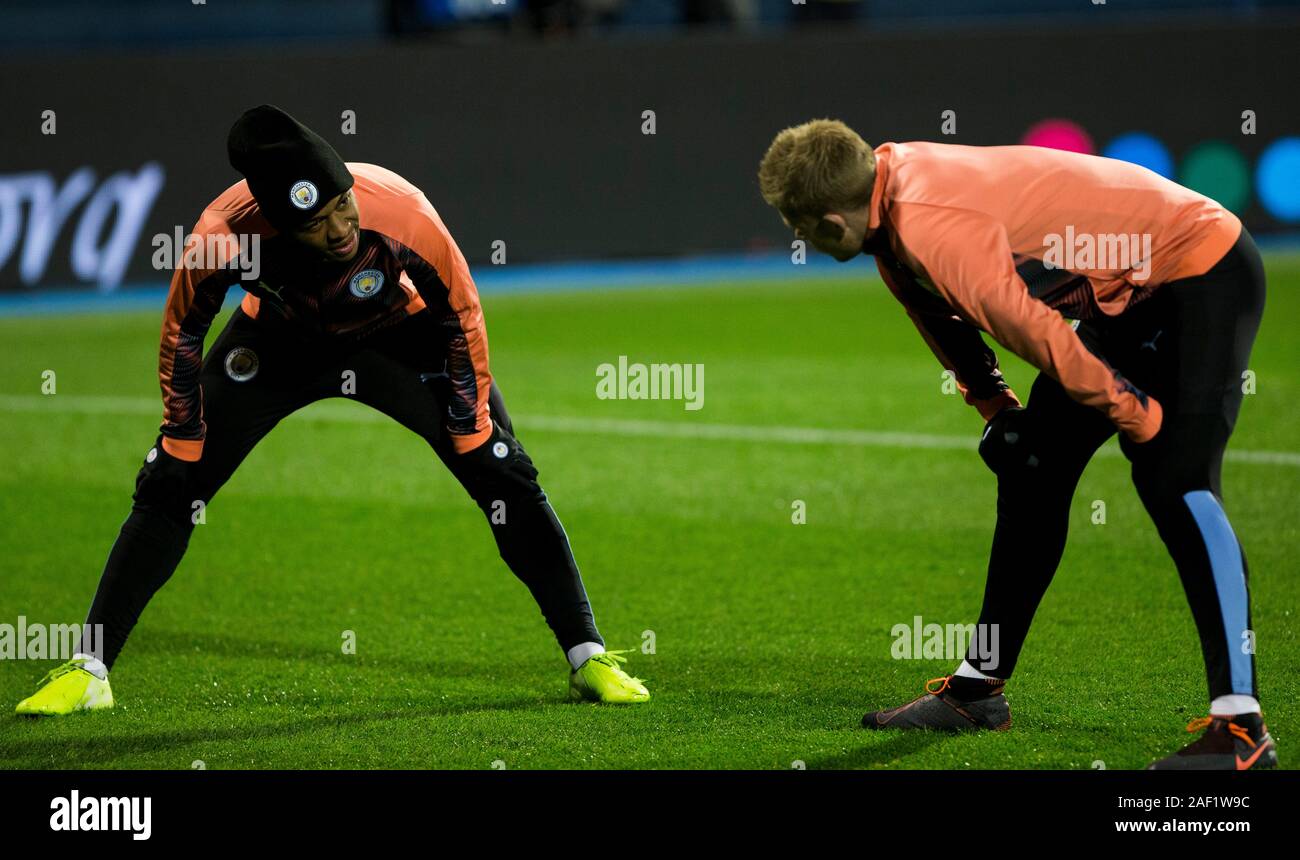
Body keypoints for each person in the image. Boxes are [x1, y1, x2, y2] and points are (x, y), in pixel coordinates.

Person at [16, 105, 648, 716]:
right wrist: (182, 436)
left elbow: (460, 311)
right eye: (316, 221)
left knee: (503, 471)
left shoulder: (399, 209)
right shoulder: (224, 235)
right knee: (169, 484)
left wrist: (471, 423)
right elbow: (183, 330)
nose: (341, 227)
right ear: (276, 221)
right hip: (277, 343)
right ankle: (90, 669)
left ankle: (587, 655)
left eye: (342, 204)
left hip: (396, 334)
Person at [757, 119, 1273, 770]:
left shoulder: (932, 226)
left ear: (831, 224)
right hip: (1129, 298)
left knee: (1176, 479)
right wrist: (997, 408)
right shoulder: (886, 196)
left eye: (796, 225)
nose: (794, 237)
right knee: (1032, 468)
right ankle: (978, 692)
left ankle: (1242, 729)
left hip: (1200, 269)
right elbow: (934, 313)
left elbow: (1038, 333)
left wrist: (1135, 414)